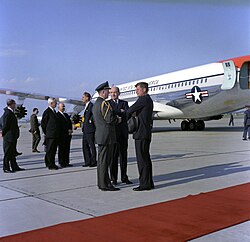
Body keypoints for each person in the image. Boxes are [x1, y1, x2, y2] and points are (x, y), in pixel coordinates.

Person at [126, 82, 154, 191]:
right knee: (146, 159)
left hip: (141, 133)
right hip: (146, 133)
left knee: (142, 160)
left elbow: (129, 110)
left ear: (144, 90)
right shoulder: (148, 100)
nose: (136, 91)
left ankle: (144, 184)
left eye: (138, 89)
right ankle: (148, 182)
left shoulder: (143, 99)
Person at [92, 81, 120, 191]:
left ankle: (103, 183)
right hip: (107, 137)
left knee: (101, 161)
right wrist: (118, 119)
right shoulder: (104, 103)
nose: (109, 93)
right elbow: (109, 119)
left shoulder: (96, 104)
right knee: (105, 161)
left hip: (101, 135)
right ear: (103, 91)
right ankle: (105, 184)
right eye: (108, 91)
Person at [108, 86, 132, 185]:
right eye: (111, 92)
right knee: (113, 157)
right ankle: (113, 178)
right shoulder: (107, 104)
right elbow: (110, 114)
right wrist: (119, 112)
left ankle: (124, 177)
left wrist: (119, 113)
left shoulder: (124, 103)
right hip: (113, 134)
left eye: (115, 92)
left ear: (119, 93)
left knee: (123, 156)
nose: (113, 94)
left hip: (123, 133)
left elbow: (127, 114)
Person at [2, 99, 25, 173]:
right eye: (14, 104)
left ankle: (14, 167)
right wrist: (3, 133)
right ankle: (6, 168)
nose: (15, 105)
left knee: (12, 153)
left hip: (12, 137)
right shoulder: (7, 113)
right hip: (9, 137)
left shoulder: (10, 112)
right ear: (11, 104)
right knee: (7, 153)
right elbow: (5, 125)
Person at [41, 97, 59, 170]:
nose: (56, 104)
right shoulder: (47, 112)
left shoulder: (54, 111)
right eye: (55, 103)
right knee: (50, 150)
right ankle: (50, 164)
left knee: (53, 150)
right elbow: (43, 124)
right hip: (50, 135)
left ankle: (52, 162)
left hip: (54, 134)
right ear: (51, 103)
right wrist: (47, 132)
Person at [82, 92, 97, 167]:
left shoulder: (91, 105)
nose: (82, 99)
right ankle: (87, 161)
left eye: (83, 97)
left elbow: (94, 114)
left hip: (90, 129)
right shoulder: (86, 106)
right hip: (85, 129)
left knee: (91, 145)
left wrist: (90, 120)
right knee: (85, 146)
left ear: (87, 98)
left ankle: (93, 161)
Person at [57, 102, 73, 167]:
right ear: (59, 107)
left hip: (68, 135)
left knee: (67, 149)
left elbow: (69, 123)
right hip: (61, 135)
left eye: (64, 106)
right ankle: (61, 162)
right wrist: (66, 130)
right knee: (61, 149)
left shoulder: (66, 115)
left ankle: (66, 162)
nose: (63, 108)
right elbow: (59, 125)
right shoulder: (57, 115)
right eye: (62, 106)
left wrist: (70, 130)